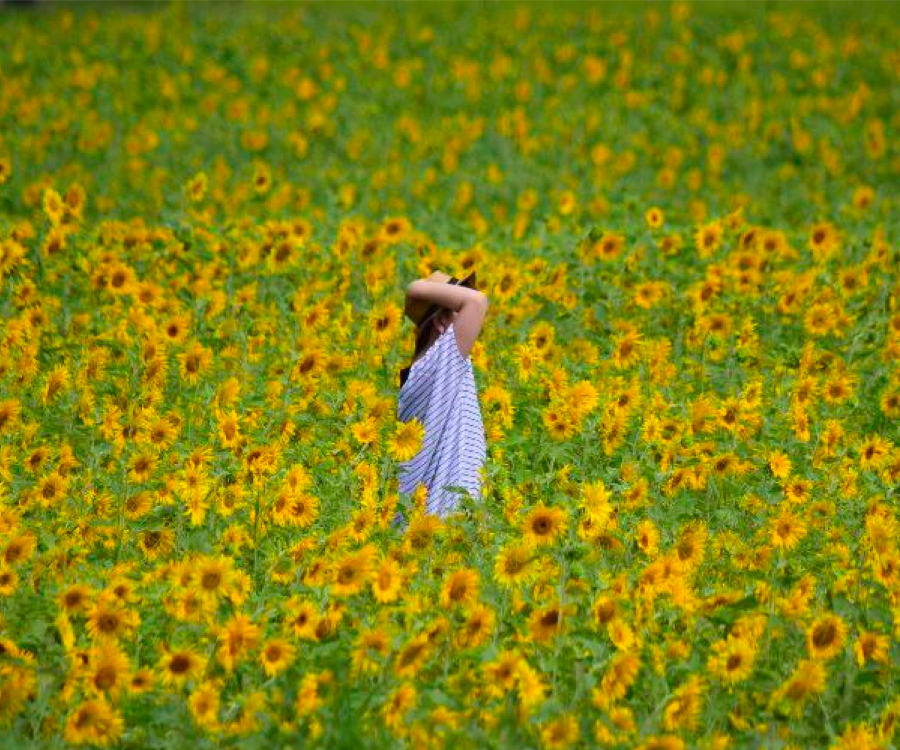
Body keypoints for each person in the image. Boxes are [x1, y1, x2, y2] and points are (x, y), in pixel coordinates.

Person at [393, 270, 489, 526]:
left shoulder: (431, 368)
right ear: (440, 323)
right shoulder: (440, 360)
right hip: (444, 518)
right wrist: (415, 287)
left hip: (432, 518)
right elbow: (477, 302)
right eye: (457, 308)